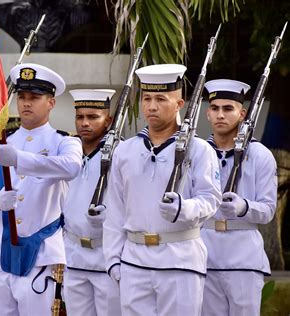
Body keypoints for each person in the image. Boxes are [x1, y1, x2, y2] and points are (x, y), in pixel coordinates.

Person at [102, 64, 222, 315]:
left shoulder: (199, 149)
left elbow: (211, 199)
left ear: (179, 104)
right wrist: (113, 259)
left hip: (180, 261)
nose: (151, 106)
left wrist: (184, 208)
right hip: (134, 262)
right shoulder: (125, 151)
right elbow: (115, 210)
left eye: (160, 99)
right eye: (146, 98)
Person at [0, 63, 83, 315]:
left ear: (51, 102)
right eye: (22, 97)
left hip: (41, 255)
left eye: (35, 97)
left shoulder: (64, 141)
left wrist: (19, 160)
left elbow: (71, 167)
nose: (26, 103)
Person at [201, 79, 277, 316]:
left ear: (242, 114)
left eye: (228, 109)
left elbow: (268, 210)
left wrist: (244, 207)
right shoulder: (197, 152)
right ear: (207, 113)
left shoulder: (259, 154)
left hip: (243, 257)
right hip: (206, 255)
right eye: (215, 109)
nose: (220, 115)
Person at [62, 88, 121, 316]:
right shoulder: (67, 151)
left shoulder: (121, 152)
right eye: (80, 117)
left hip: (106, 257)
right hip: (74, 258)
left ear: (109, 120)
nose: (85, 123)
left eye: (93, 117)